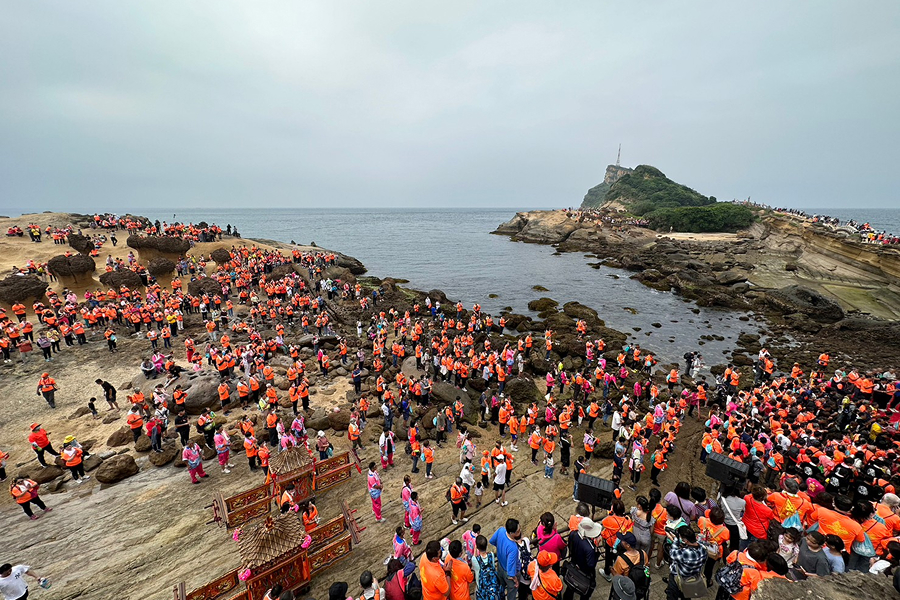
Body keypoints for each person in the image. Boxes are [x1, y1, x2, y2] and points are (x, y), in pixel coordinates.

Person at [562, 517, 600, 600]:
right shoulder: (590, 548)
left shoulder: (573, 534)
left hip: (574, 563)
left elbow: (570, 546)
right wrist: (596, 551)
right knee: (588, 589)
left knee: (570, 586)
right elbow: (591, 565)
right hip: (584, 570)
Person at [664, 526, 706, 600]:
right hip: (693, 576)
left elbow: (672, 553)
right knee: (686, 595)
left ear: (685, 540)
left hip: (678, 577)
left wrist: (675, 540)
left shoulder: (685, 553)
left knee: (672, 595)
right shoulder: (702, 548)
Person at [490, 519, 522, 600]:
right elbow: (511, 572)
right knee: (512, 591)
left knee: (501, 586)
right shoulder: (513, 548)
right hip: (508, 574)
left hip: (500, 565)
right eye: (518, 531)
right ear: (512, 533)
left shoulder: (501, 530)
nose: (520, 531)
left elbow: (492, 541)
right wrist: (516, 580)